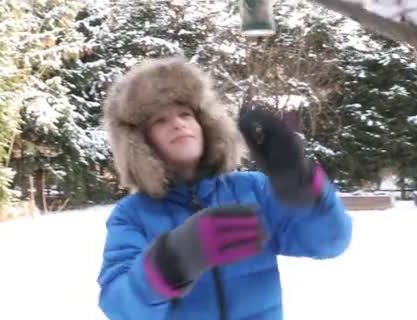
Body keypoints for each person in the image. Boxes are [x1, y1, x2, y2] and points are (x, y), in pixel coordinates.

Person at [97, 56, 352, 320]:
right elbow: (118, 304)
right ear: (140, 142)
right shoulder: (132, 214)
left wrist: (306, 188)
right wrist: (171, 261)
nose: (178, 123)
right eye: (160, 120)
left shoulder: (253, 189)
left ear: (205, 124)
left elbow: (330, 242)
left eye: (186, 114)